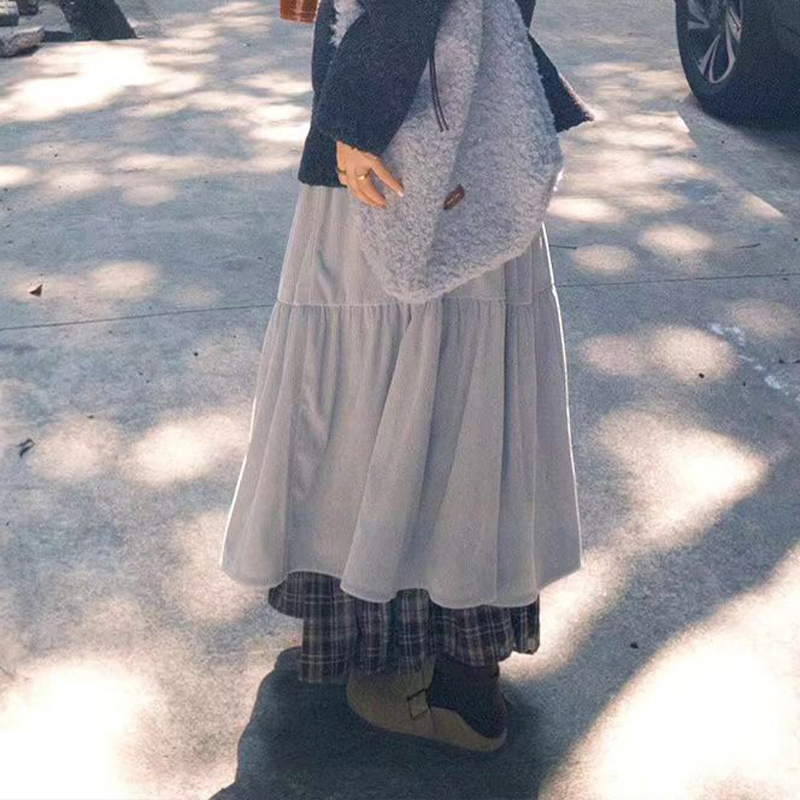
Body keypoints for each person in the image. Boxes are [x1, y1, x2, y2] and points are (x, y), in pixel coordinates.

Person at [220, 0, 593, 751]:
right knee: (458, 390)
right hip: (469, 116)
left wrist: (356, 118)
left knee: (385, 379)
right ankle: (453, 665)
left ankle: (451, 688)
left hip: (410, 128)